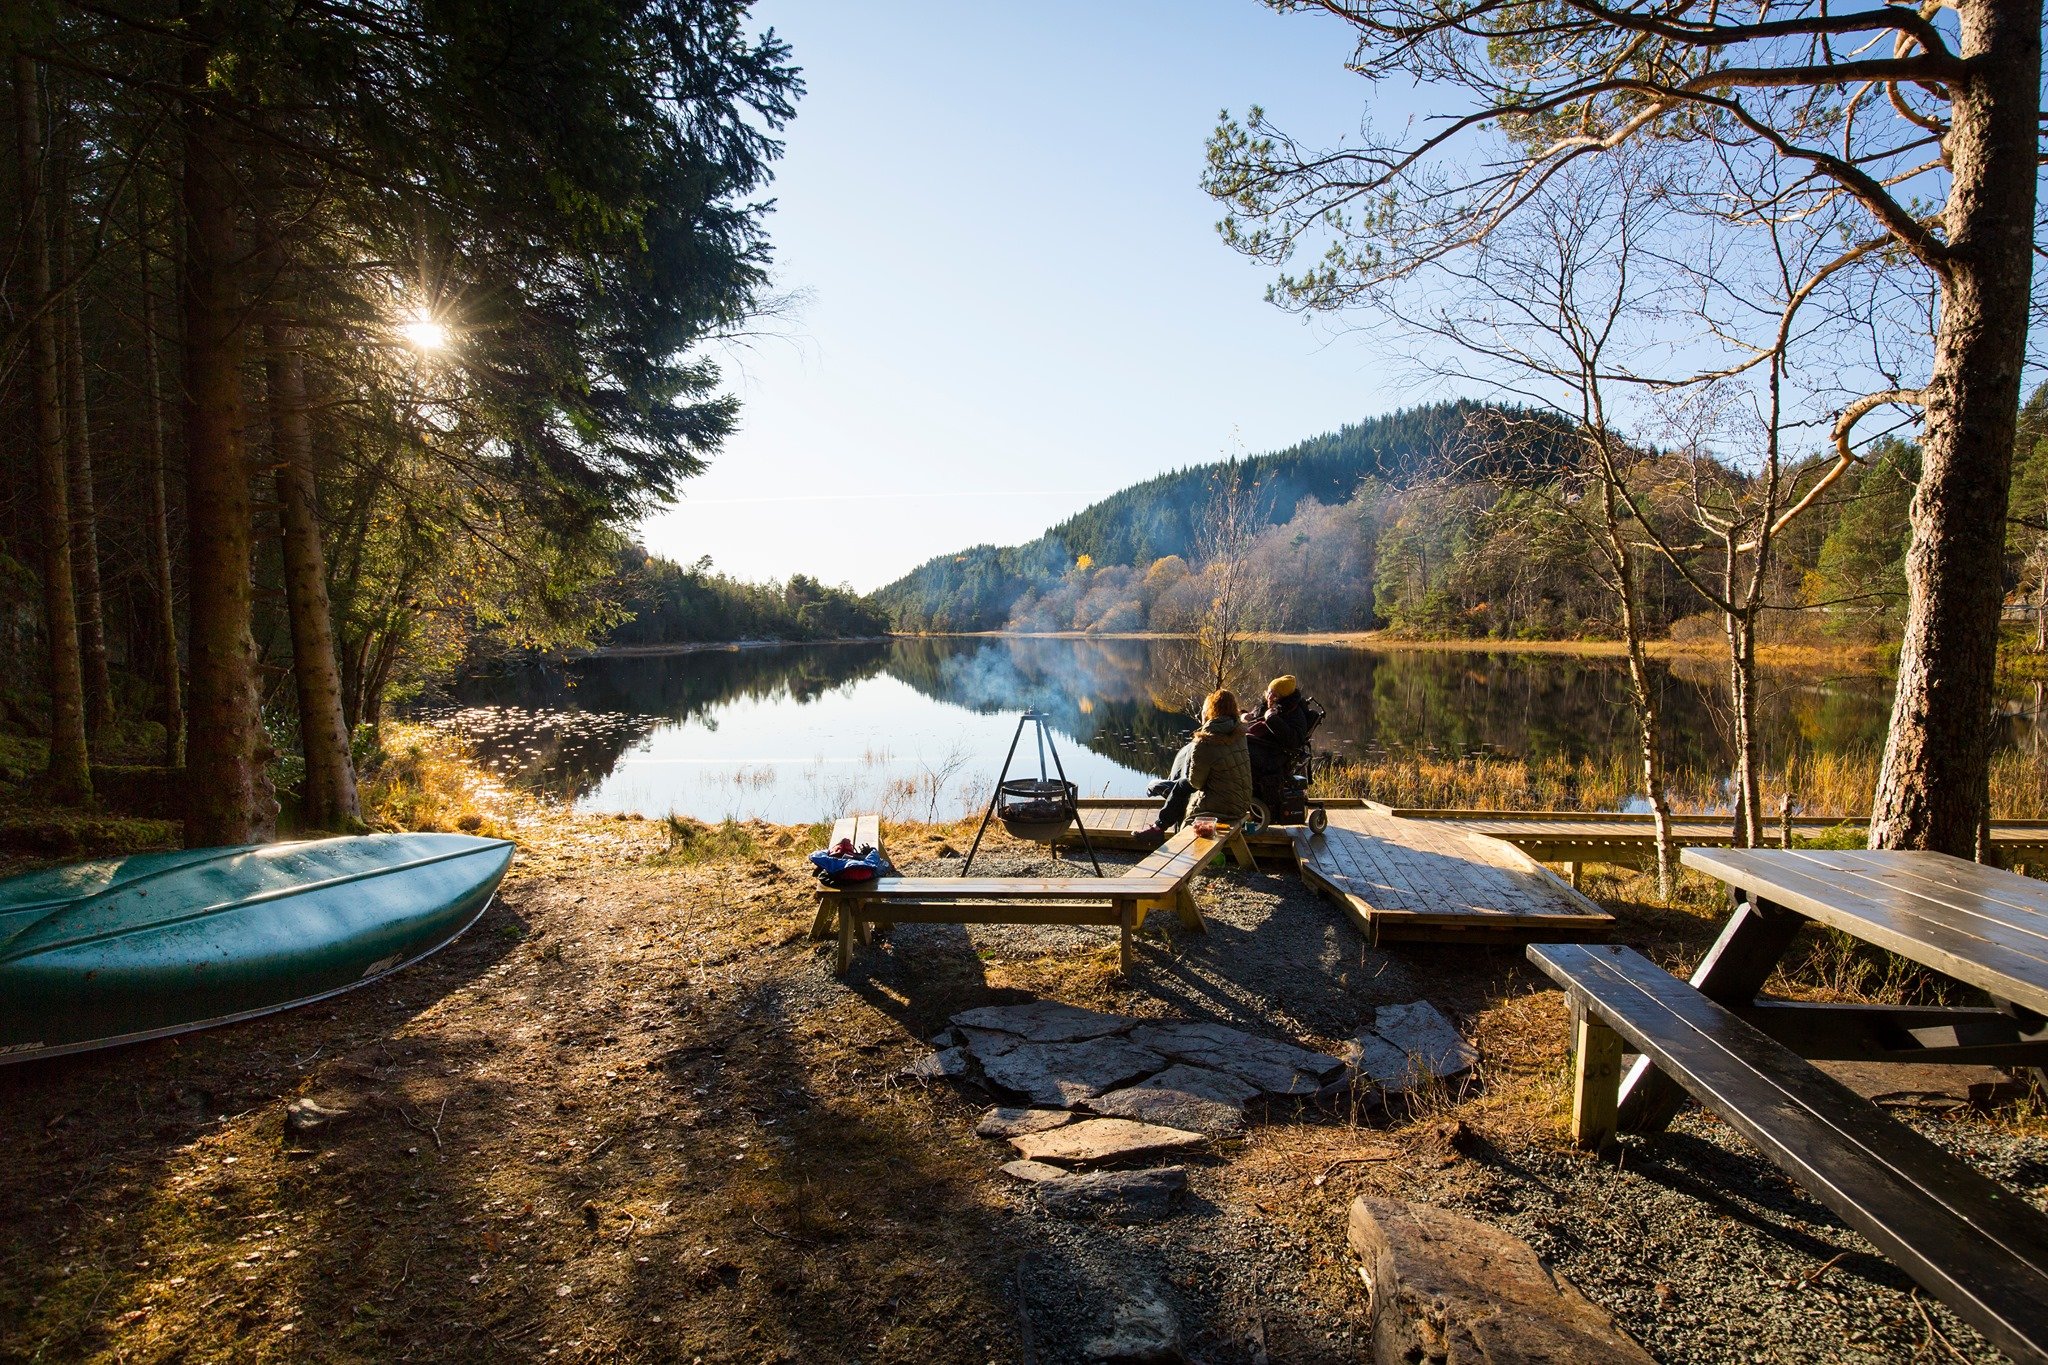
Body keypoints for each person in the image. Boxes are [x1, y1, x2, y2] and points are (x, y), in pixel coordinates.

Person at [1134, 688, 1252, 847]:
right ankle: (1158, 828)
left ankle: (1158, 828)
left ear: (1210, 712)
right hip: (1241, 802)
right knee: (1181, 787)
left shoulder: (1205, 742)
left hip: (1221, 808)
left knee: (1182, 787)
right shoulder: (1239, 733)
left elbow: (1195, 783)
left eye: (1204, 709)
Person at [1243, 674, 1313, 795]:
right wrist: (1244, 716)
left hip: (1274, 755)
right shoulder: (1267, 705)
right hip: (1262, 747)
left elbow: (1293, 740)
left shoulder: (1295, 713)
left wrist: (1271, 719)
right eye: (1269, 692)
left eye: (1275, 695)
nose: (1270, 697)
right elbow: (1255, 717)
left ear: (1283, 698)